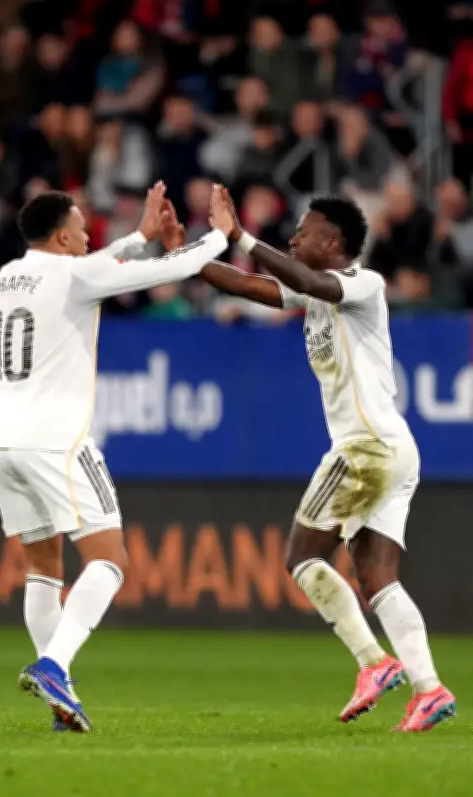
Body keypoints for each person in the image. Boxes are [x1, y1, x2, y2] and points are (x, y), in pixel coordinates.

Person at [163, 186, 456, 732]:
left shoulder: (363, 284)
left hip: (366, 448)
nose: (294, 238)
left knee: (302, 557)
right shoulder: (314, 294)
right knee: (378, 578)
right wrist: (186, 253)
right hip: (389, 448)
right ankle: (430, 690)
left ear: (334, 243)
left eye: (304, 231)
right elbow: (247, 286)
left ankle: (374, 663)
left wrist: (241, 235)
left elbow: (307, 280)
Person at [0, 183, 230, 733]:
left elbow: (95, 265)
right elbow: (167, 270)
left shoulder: (8, 275)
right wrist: (220, 235)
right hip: (56, 439)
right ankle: (54, 666)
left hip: (2, 439)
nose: (89, 235)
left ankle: (61, 696)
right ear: (62, 237)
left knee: (43, 569)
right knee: (110, 560)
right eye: (81, 228)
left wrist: (140, 236)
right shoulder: (76, 275)